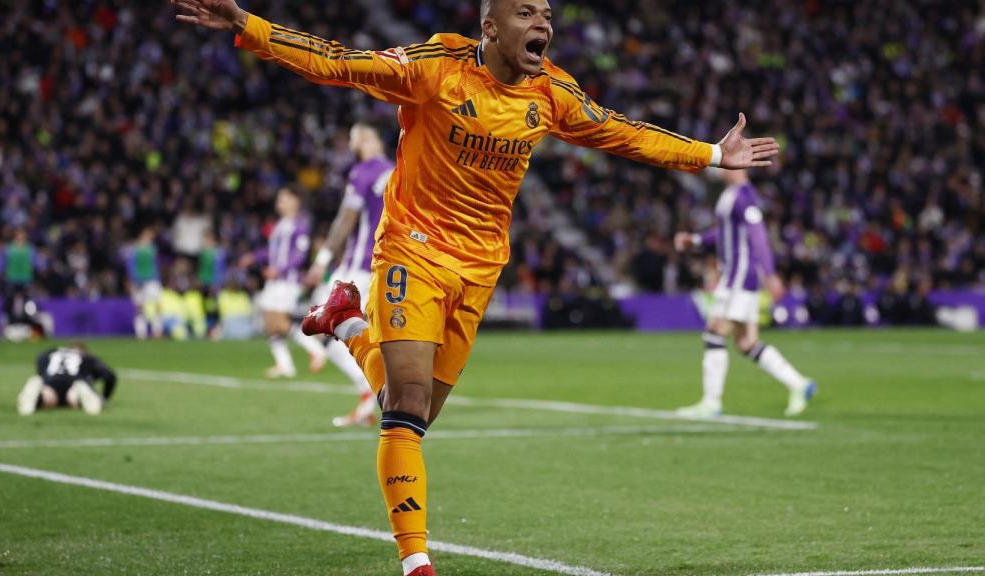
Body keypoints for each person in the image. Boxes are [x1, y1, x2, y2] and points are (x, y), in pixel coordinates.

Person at [172, 1, 780, 573]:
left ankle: (346, 322)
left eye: (546, 13)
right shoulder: (436, 68)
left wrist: (710, 153)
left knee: (412, 412)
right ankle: (417, 560)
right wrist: (246, 23)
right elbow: (338, 61)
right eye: (526, 12)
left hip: (481, 267)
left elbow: (620, 131)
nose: (542, 21)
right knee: (405, 409)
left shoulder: (551, 92)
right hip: (412, 247)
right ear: (490, 28)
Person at [674, 169, 816, 418]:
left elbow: (758, 235)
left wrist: (770, 275)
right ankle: (799, 384)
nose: (715, 165)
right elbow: (724, 233)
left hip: (739, 277)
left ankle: (711, 403)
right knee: (746, 343)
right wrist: (696, 241)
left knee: (715, 331)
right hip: (738, 277)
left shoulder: (744, 196)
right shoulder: (731, 196)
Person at [305, 122, 394, 428]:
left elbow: (345, 220)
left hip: (360, 267)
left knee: (321, 324)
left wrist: (321, 261)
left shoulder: (362, 172)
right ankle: (372, 393)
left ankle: (370, 391)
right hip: (386, 265)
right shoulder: (398, 170)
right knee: (360, 332)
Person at [239, 187, 327, 378]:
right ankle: (284, 365)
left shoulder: (300, 225)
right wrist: (253, 257)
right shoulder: (279, 225)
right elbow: (271, 253)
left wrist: (280, 269)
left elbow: (300, 255)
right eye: (279, 199)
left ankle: (316, 349)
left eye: (284, 199)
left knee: (278, 321)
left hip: (287, 281)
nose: (279, 203)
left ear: (295, 201)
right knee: (269, 322)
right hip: (275, 280)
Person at [16, 343, 117, 416]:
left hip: (50, 384)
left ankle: (39, 392)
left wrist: (42, 375)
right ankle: (84, 394)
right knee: (76, 396)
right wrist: (105, 397)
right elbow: (110, 376)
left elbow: (40, 359)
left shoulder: (51, 353)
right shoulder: (87, 357)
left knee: (47, 397)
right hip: (74, 384)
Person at [124, 227, 163, 340]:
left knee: (157, 305)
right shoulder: (134, 249)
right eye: (148, 234)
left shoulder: (153, 249)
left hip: (152, 280)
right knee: (140, 308)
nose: (150, 237)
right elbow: (130, 265)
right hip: (139, 281)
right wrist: (133, 279)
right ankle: (141, 333)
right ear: (142, 235)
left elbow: (155, 265)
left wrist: (157, 277)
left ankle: (157, 331)